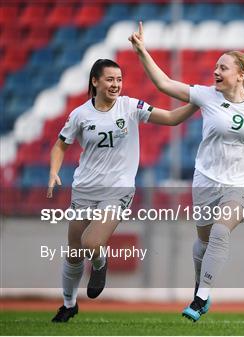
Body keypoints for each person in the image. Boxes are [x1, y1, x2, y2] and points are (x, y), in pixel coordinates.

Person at [129, 22, 244, 322]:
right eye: (215, 66)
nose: (216, 71)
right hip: (206, 180)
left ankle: (201, 298)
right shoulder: (205, 96)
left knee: (220, 231)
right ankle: (201, 287)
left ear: (241, 75)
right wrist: (142, 52)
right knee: (202, 242)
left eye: (223, 67)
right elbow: (164, 84)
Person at [48, 58, 200, 322]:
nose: (116, 84)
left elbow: (172, 118)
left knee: (91, 243)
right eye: (110, 79)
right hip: (84, 188)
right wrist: (53, 171)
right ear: (95, 81)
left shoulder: (131, 107)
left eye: (119, 79)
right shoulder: (80, 115)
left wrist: (196, 103)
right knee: (74, 251)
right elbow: (61, 145)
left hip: (117, 190)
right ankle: (69, 304)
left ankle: (99, 262)